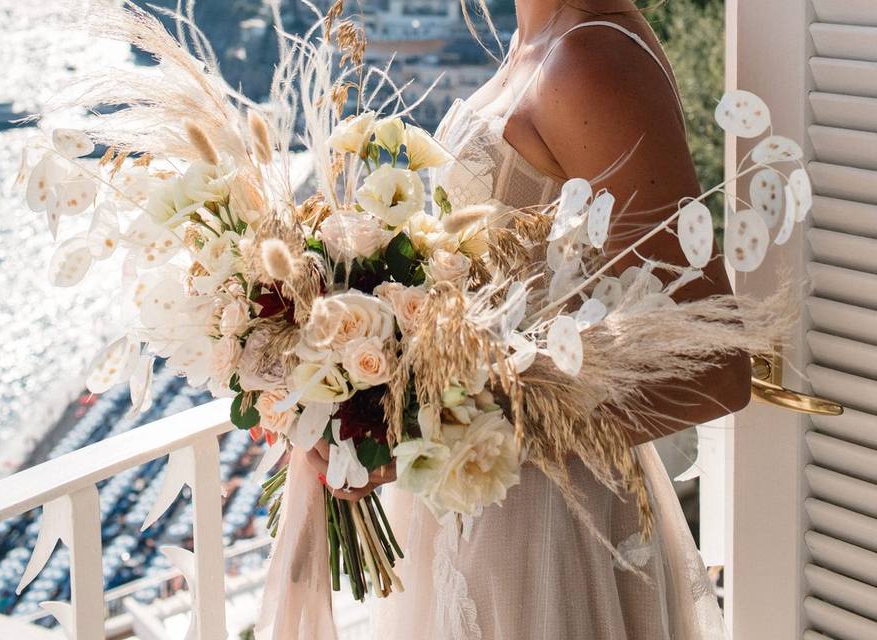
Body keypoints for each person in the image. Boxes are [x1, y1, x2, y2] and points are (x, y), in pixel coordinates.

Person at [309, 1, 747, 637]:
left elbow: (717, 368)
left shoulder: (592, 59)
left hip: (549, 534)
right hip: (465, 507)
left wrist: (443, 432)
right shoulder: (533, 37)